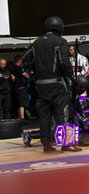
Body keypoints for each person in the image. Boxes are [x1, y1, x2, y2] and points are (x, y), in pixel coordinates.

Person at [22, 16, 79, 153]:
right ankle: (66, 144)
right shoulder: (61, 42)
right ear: (60, 27)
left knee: (45, 115)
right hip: (58, 83)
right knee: (63, 112)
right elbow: (65, 63)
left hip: (41, 85)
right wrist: (71, 78)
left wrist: (34, 74)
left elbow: (25, 59)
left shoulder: (36, 43)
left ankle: (46, 145)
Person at [22, 75, 89, 147]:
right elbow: (71, 108)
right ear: (77, 86)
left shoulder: (73, 91)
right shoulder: (67, 92)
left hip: (55, 108)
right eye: (82, 88)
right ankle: (29, 135)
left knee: (65, 124)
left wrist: (81, 113)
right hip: (50, 107)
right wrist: (81, 124)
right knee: (53, 130)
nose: (82, 90)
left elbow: (76, 102)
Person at [11, 55, 30, 120]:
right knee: (22, 103)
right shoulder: (19, 68)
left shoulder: (12, 68)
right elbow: (26, 75)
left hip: (15, 88)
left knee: (18, 103)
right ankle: (22, 118)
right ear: (19, 61)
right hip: (21, 87)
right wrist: (29, 75)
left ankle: (19, 117)